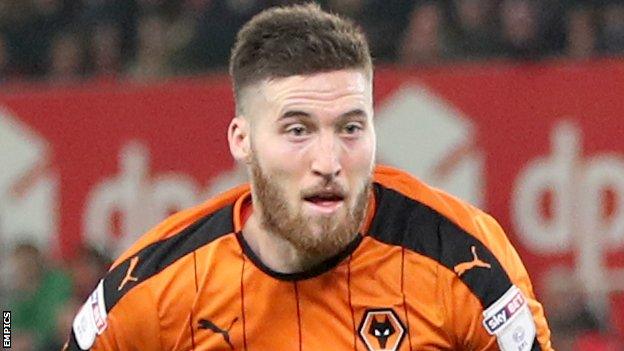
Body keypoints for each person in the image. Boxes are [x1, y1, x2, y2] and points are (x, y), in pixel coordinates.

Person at [64, 3, 552, 350]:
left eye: (351, 127)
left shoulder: (463, 258)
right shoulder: (150, 287)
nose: (329, 160)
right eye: (298, 129)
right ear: (242, 140)